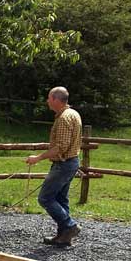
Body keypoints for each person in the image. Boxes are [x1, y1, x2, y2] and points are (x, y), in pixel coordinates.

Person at [25, 86, 83, 247]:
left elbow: (61, 147)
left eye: (49, 98)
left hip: (63, 164)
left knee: (46, 197)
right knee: (60, 198)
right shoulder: (73, 114)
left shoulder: (64, 118)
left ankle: (70, 226)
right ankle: (64, 236)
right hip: (70, 162)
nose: (47, 101)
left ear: (56, 100)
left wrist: (38, 158)